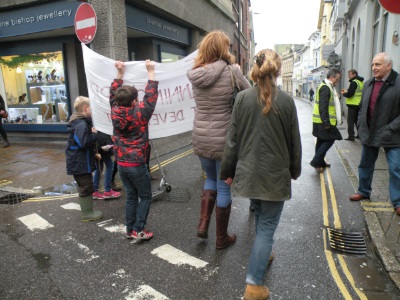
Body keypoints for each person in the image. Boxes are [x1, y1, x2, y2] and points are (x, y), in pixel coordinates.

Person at [220, 49, 302, 300]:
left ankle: (263, 253)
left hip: (249, 174)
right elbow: (294, 143)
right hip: (275, 176)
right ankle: (254, 285)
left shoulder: (242, 99)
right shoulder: (287, 101)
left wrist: (227, 171)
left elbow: (232, 140)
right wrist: (295, 170)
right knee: (267, 227)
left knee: (258, 214)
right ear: (278, 72)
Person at [186, 30, 251, 249]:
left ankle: (203, 225)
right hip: (224, 139)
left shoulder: (196, 73)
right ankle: (221, 238)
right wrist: (240, 74)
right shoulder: (232, 71)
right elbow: (250, 95)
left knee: (210, 180)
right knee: (224, 187)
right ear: (222, 49)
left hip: (201, 136)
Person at [110, 59, 158, 240]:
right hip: (137, 162)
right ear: (133, 102)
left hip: (121, 162)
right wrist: (151, 71)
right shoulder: (140, 113)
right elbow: (151, 97)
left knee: (131, 196)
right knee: (145, 196)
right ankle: (139, 229)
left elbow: (112, 93)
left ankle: (130, 229)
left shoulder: (114, 109)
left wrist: (119, 74)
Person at [349, 52, 400, 216]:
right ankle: (363, 191)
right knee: (365, 164)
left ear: (388, 66)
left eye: (378, 64)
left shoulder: (398, 83)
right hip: (369, 132)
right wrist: (360, 123)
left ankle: (398, 202)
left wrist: (390, 128)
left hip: (391, 134)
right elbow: (362, 107)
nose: (374, 68)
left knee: (395, 168)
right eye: (373, 64)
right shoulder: (369, 83)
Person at [65, 96, 103, 222]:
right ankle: (87, 214)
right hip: (79, 163)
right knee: (86, 186)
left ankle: (88, 212)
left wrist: (93, 154)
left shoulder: (80, 122)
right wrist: (94, 134)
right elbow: (83, 143)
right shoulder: (81, 124)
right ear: (85, 108)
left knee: (86, 185)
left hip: (79, 161)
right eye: (91, 107)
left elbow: (80, 144)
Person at [310, 68, 342, 173]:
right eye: (337, 79)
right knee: (330, 139)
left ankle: (320, 162)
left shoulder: (328, 87)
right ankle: (316, 161)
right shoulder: (326, 88)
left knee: (321, 141)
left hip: (320, 121)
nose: (338, 81)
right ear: (331, 77)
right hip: (324, 121)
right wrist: (326, 123)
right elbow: (323, 107)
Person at [92, 131, 121, 200]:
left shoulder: (91, 124)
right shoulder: (99, 126)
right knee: (109, 166)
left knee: (99, 168)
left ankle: (94, 190)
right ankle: (107, 190)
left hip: (98, 149)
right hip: (103, 149)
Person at [341, 69, 364, 141]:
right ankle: (360, 135)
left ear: (354, 74)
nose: (348, 76)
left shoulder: (354, 82)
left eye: (350, 74)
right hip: (359, 104)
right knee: (357, 121)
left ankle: (351, 136)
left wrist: (344, 93)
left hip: (353, 104)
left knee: (350, 121)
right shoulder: (360, 82)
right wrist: (347, 91)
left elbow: (350, 94)